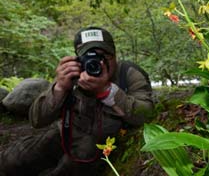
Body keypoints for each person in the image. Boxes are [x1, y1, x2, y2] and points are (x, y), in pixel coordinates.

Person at [0, 26, 154, 176]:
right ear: (78, 58)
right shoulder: (74, 73)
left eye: (103, 55)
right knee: (12, 160)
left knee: (72, 164)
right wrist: (60, 88)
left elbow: (146, 114)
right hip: (66, 132)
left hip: (104, 140)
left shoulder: (128, 72)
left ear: (114, 55)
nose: (97, 63)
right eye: (89, 56)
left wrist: (107, 91)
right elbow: (37, 120)